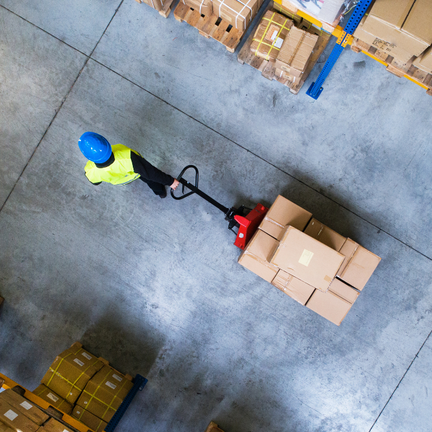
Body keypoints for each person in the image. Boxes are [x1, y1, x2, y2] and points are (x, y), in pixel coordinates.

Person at [78, 132, 179, 198]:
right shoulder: (128, 158)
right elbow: (151, 173)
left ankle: (160, 193)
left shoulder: (90, 171)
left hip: (122, 180)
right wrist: (170, 181)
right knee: (149, 179)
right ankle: (160, 191)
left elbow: (96, 182)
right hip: (136, 173)